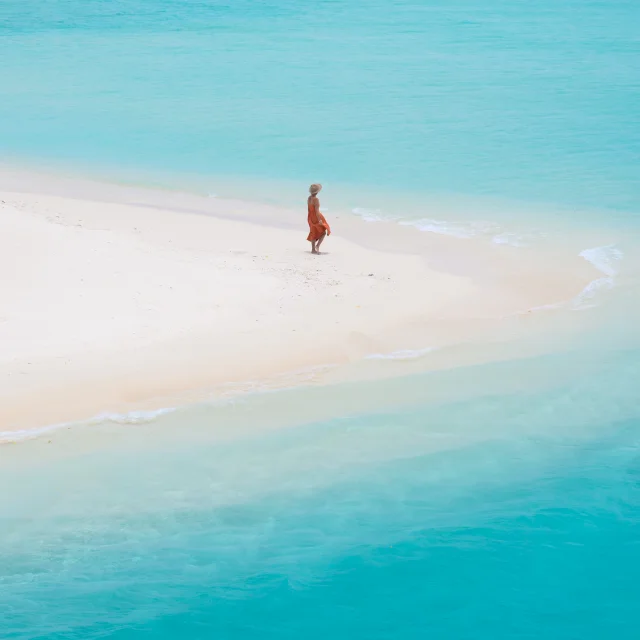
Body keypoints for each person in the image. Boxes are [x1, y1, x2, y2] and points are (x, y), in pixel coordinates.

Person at [307, 183, 331, 254]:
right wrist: (320, 220)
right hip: (317, 217)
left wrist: (309, 218)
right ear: (317, 192)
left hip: (310, 216)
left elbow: (309, 209)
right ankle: (317, 246)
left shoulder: (309, 198)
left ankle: (313, 250)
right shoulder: (316, 199)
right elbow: (317, 211)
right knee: (323, 232)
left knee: (313, 232)